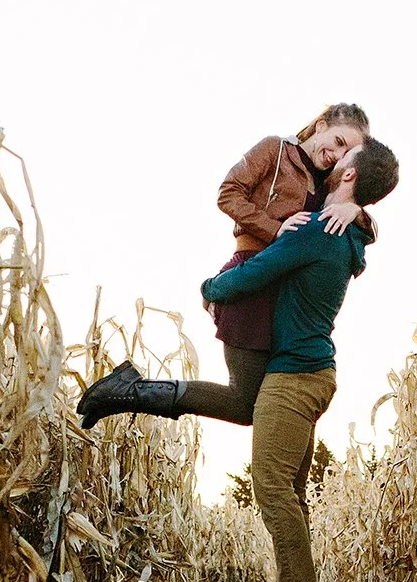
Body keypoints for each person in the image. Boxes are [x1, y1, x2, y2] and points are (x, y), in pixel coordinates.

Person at [80, 137, 401, 582]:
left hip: (294, 377)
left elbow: (248, 277)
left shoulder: (319, 230)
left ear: (350, 176)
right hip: (313, 374)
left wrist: (209, 289)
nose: (333, 160)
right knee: (289, 490)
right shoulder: (349, 234)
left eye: (342, 159)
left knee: (272, 488)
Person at [79, 107, 369, 431]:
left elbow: (360, 211)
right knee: (246, 403)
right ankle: (129, 390)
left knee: (268, 401)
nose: (338, 154)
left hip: (284, 297)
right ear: (321, 125)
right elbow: (228, 192)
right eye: (338, 140)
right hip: (249, 280)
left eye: (347, 152)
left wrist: (355, 209)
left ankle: (127, 390)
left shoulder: (328, 183)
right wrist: (275, 229)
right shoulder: (275, 150)